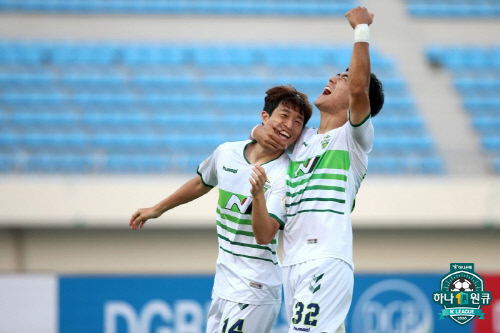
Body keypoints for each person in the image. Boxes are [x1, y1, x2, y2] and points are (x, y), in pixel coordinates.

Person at [129, 85, 313, 333]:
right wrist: (157, 209)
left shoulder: (286, 174)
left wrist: (258, 195)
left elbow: (264, 235)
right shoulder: (227, 153)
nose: (289, 125)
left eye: (298, 121)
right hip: (224, 283)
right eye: (284, 115)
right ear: (264, 116)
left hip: (256, 287)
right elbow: (200, 182)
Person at [250, 7, 385, 332]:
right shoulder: (300, 142)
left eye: (342, 78)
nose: (332, 79)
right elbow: (264, 233)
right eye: (337, 76)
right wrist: (257, 133)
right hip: (292, 263)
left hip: (325, 258)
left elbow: (358, 89)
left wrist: (361, 30)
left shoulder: (353, 139)